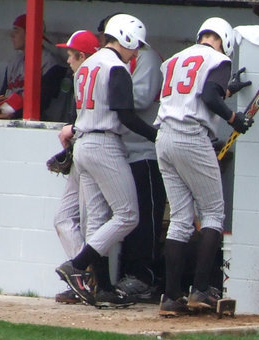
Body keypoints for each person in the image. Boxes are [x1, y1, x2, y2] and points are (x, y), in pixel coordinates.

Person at [54, 14, 157, 307]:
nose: (136, 51)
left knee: (97, 221)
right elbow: (125, 114)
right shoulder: (116, 67)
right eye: (134, 44)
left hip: (83, 144)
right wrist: (155, 135)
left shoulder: (86, 65)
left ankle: (104, 289)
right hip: (104, 144)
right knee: (127, 215)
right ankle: (77, 265)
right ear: (123, 38)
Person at [154, 17, 252, 317]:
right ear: (224, 39)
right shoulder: (219, 58)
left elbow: (193, 92)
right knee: (213, 213)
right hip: (191, 136)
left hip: (163, 137)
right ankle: (199, 289)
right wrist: (234, 119)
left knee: (182, 217)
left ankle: (171, 297)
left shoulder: (174, 58)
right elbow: (208, 96)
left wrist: (227, 91)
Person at [102, 14, 165, 303]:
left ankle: (144, 277)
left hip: (145, 151)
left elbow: (139, 98)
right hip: (121, 151)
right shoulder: (109, 62)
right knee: (123, 217)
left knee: (145, 218)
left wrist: (112, 93)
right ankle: (118, 276)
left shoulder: (146, 57)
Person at [49, 29, 102, 304]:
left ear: (83, 55)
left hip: (96, 156)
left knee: (91, 219)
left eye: (72, 55)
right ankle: (80, 277)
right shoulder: (83, 78)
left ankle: (87, 279)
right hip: (83, 153)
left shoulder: (94, 77)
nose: (68, 61)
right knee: (63, 219)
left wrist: (73, 129)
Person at [0, 13, 70, 121]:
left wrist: (13, 114)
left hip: (41, 126)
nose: (12, 35)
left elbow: (44, 102)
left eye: (16, 30)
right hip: (12, 119)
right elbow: (3, 94)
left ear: (30, 33)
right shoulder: (14, 63)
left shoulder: (52, 64)